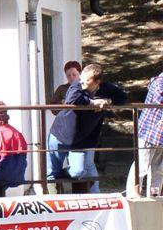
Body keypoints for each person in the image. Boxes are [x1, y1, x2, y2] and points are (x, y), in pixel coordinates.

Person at [48, 62, 128, 193]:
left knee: (78, 171)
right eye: (82, 78)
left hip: (80, 140)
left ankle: (64, 179)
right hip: (59, 135)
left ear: (97, 82)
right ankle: (53, 199)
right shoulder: (77, 85)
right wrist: (93, 102)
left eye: (86, 80)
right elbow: (71, 99)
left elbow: (123, 97)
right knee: (52, 174)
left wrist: (109, 101)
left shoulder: (105, 88)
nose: (82, 82)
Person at [126, 67, 163, 197]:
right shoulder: (159, 82)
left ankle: (154, 198)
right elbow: (160, 98)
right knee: (141, 167)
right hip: (150, 132)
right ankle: (133, 196)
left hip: (160, 136)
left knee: (159, 170)